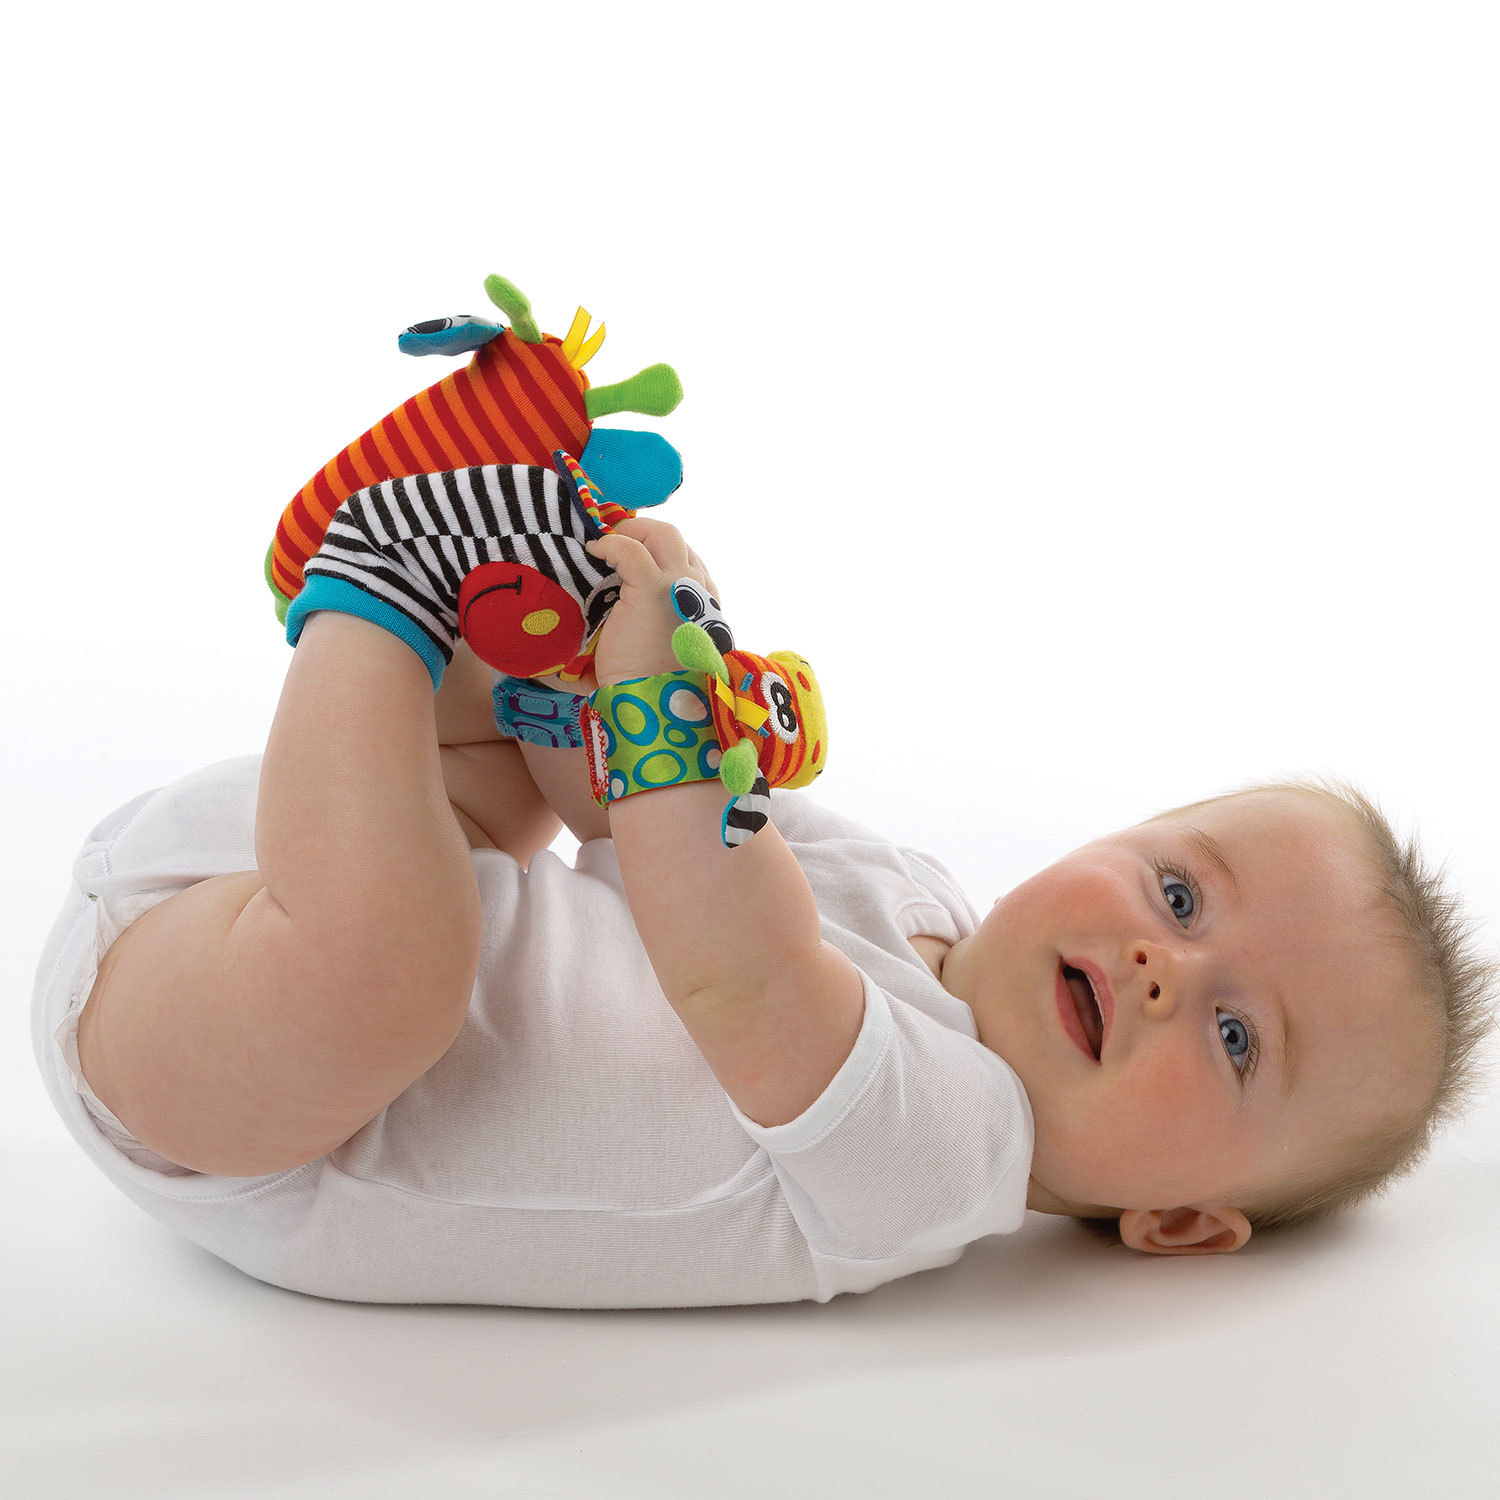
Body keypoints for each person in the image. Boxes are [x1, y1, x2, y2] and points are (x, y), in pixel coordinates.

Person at [31, 463, 1497, 1308]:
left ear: (1179, 1221)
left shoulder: (948, 1162)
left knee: (399, 971)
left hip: (249, 1098)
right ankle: (468, 582)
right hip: (307, 882)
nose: (1169, 969)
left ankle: (373, 589)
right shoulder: (914, 894)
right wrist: (617, 632)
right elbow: (630, 820)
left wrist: (664, 697)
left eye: (1238, 1039)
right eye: (1179, 895)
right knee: (516, 756)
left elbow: (729, 960)